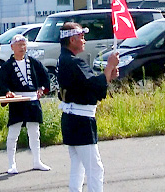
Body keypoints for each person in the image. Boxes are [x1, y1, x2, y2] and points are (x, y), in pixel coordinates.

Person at [57, 22, 119, 192]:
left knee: (78, 166)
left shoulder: (65, 60)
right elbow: (94, 86)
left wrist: (107, 76)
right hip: (81, 120)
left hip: (72, 118)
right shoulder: (73, 62)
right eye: (81, 37)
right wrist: (109, 66)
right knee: (95, 168)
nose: (84, 40)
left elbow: (87, 85)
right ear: (72, 40)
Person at [0, 34, 51, 174]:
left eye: (24, 45)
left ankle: (37, 161)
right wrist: (7, 92)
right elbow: (3, 84)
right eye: (19, 45)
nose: (22, 48)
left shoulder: (33, 62)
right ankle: (11, 164)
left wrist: (42, 89)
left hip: (32, 100)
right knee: (13, 133)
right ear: (12, 47)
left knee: (34, 132)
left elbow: (45, 77)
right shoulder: (7, 66)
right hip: (17, 101)